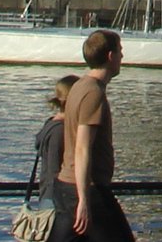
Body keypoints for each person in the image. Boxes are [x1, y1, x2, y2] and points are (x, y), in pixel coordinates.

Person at [57, 30, 132, 241]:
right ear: (110, 56)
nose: (122, 57)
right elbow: (82, 147)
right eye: (120, 51)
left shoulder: (80, 86)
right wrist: (83, 200)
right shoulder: (93, 93)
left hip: (69, 186)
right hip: (88, 189)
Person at [31, 74, 79, 201]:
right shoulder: (59, 130)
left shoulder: (51, 125)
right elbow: (54, 169)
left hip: (50, 196)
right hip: (56, 201)